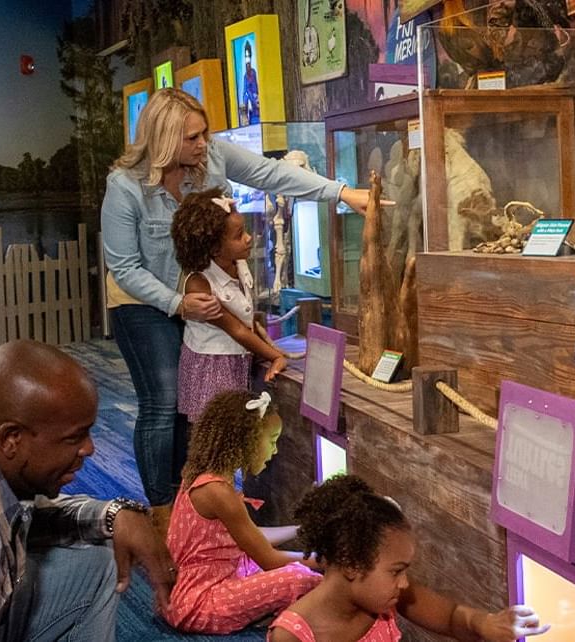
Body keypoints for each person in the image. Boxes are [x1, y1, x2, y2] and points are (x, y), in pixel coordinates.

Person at [101, 88, 373, 532]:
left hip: (205, 298)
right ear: (165, 139)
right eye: (192, 137)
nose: (203, 143)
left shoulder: (212, 158)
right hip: (145, 302)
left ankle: (200, 499)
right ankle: (162, 509)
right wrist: (176, 303)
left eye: (205, 133)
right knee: (165, 399)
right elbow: (125, 266)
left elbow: (271, 174)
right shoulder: (125, 187)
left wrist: (341, 192)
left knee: (203, 402)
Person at [0, 340, 174, 642]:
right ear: (11, 439)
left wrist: (114, 514)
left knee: (97, 560)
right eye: (74, 438)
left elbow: (33, 512)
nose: (89, 448)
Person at [269, 475, 551, 642]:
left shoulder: (386, 596)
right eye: (396, 571)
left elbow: (452, 617)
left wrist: (485, 623)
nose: (404, 583)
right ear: (353, 563)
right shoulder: (291, 635)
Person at [163, 390, 322, 634]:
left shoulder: (203, 475)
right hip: (201, 599)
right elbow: (268, 559)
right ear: (247, 441)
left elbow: (250, 537)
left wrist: (299, 529)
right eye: (272, 441)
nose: (275, 451)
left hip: (208, 578)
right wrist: (326, 561)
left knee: (289, 567)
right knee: (301, 577)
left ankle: (274, 611)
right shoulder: (219, 492)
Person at [170, 188, 287, 423]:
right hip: (212, 368)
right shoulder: (200, 284)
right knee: (215, 432)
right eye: (238, 235)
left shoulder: (239, 263)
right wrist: (276, 356)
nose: (248, 238)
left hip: (236, 361)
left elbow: (244, 316)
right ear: (214, 248)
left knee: (236, 430)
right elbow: (236, 329)